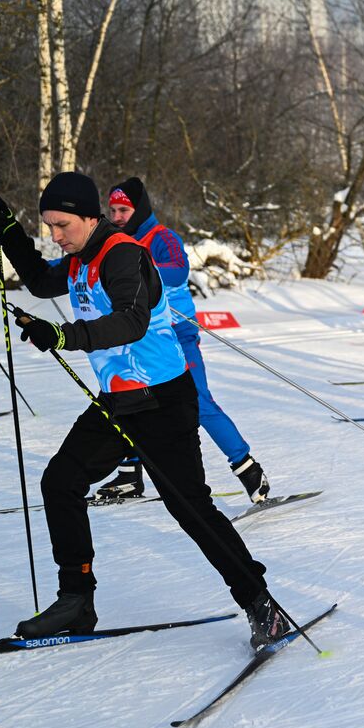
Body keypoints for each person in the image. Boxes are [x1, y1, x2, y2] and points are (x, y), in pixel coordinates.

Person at [0, 173, 288, 648]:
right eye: (48, 227)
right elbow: (43, 282)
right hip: (119, 404)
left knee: (189, 507)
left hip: (164, 402)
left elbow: (130, 319)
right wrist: (5, 228)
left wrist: (64, 337)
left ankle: (260, 602)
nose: (56, 236)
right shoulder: (79, 260)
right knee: (60, 481)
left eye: (62, 225)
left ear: (91, 217)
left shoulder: (122, 253)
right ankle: (76, 599)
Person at [87, 177, 271, 504]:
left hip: (177, 336)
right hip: (137, 338)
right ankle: (130, 475)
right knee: (126, 399)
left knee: (198, 402)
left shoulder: (161, 237)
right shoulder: (111, 243)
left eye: (124, 210)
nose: (116, 216)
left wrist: (136, 266)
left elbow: (177, 270)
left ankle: (248, 469)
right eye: (112, 209)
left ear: (139, 209)